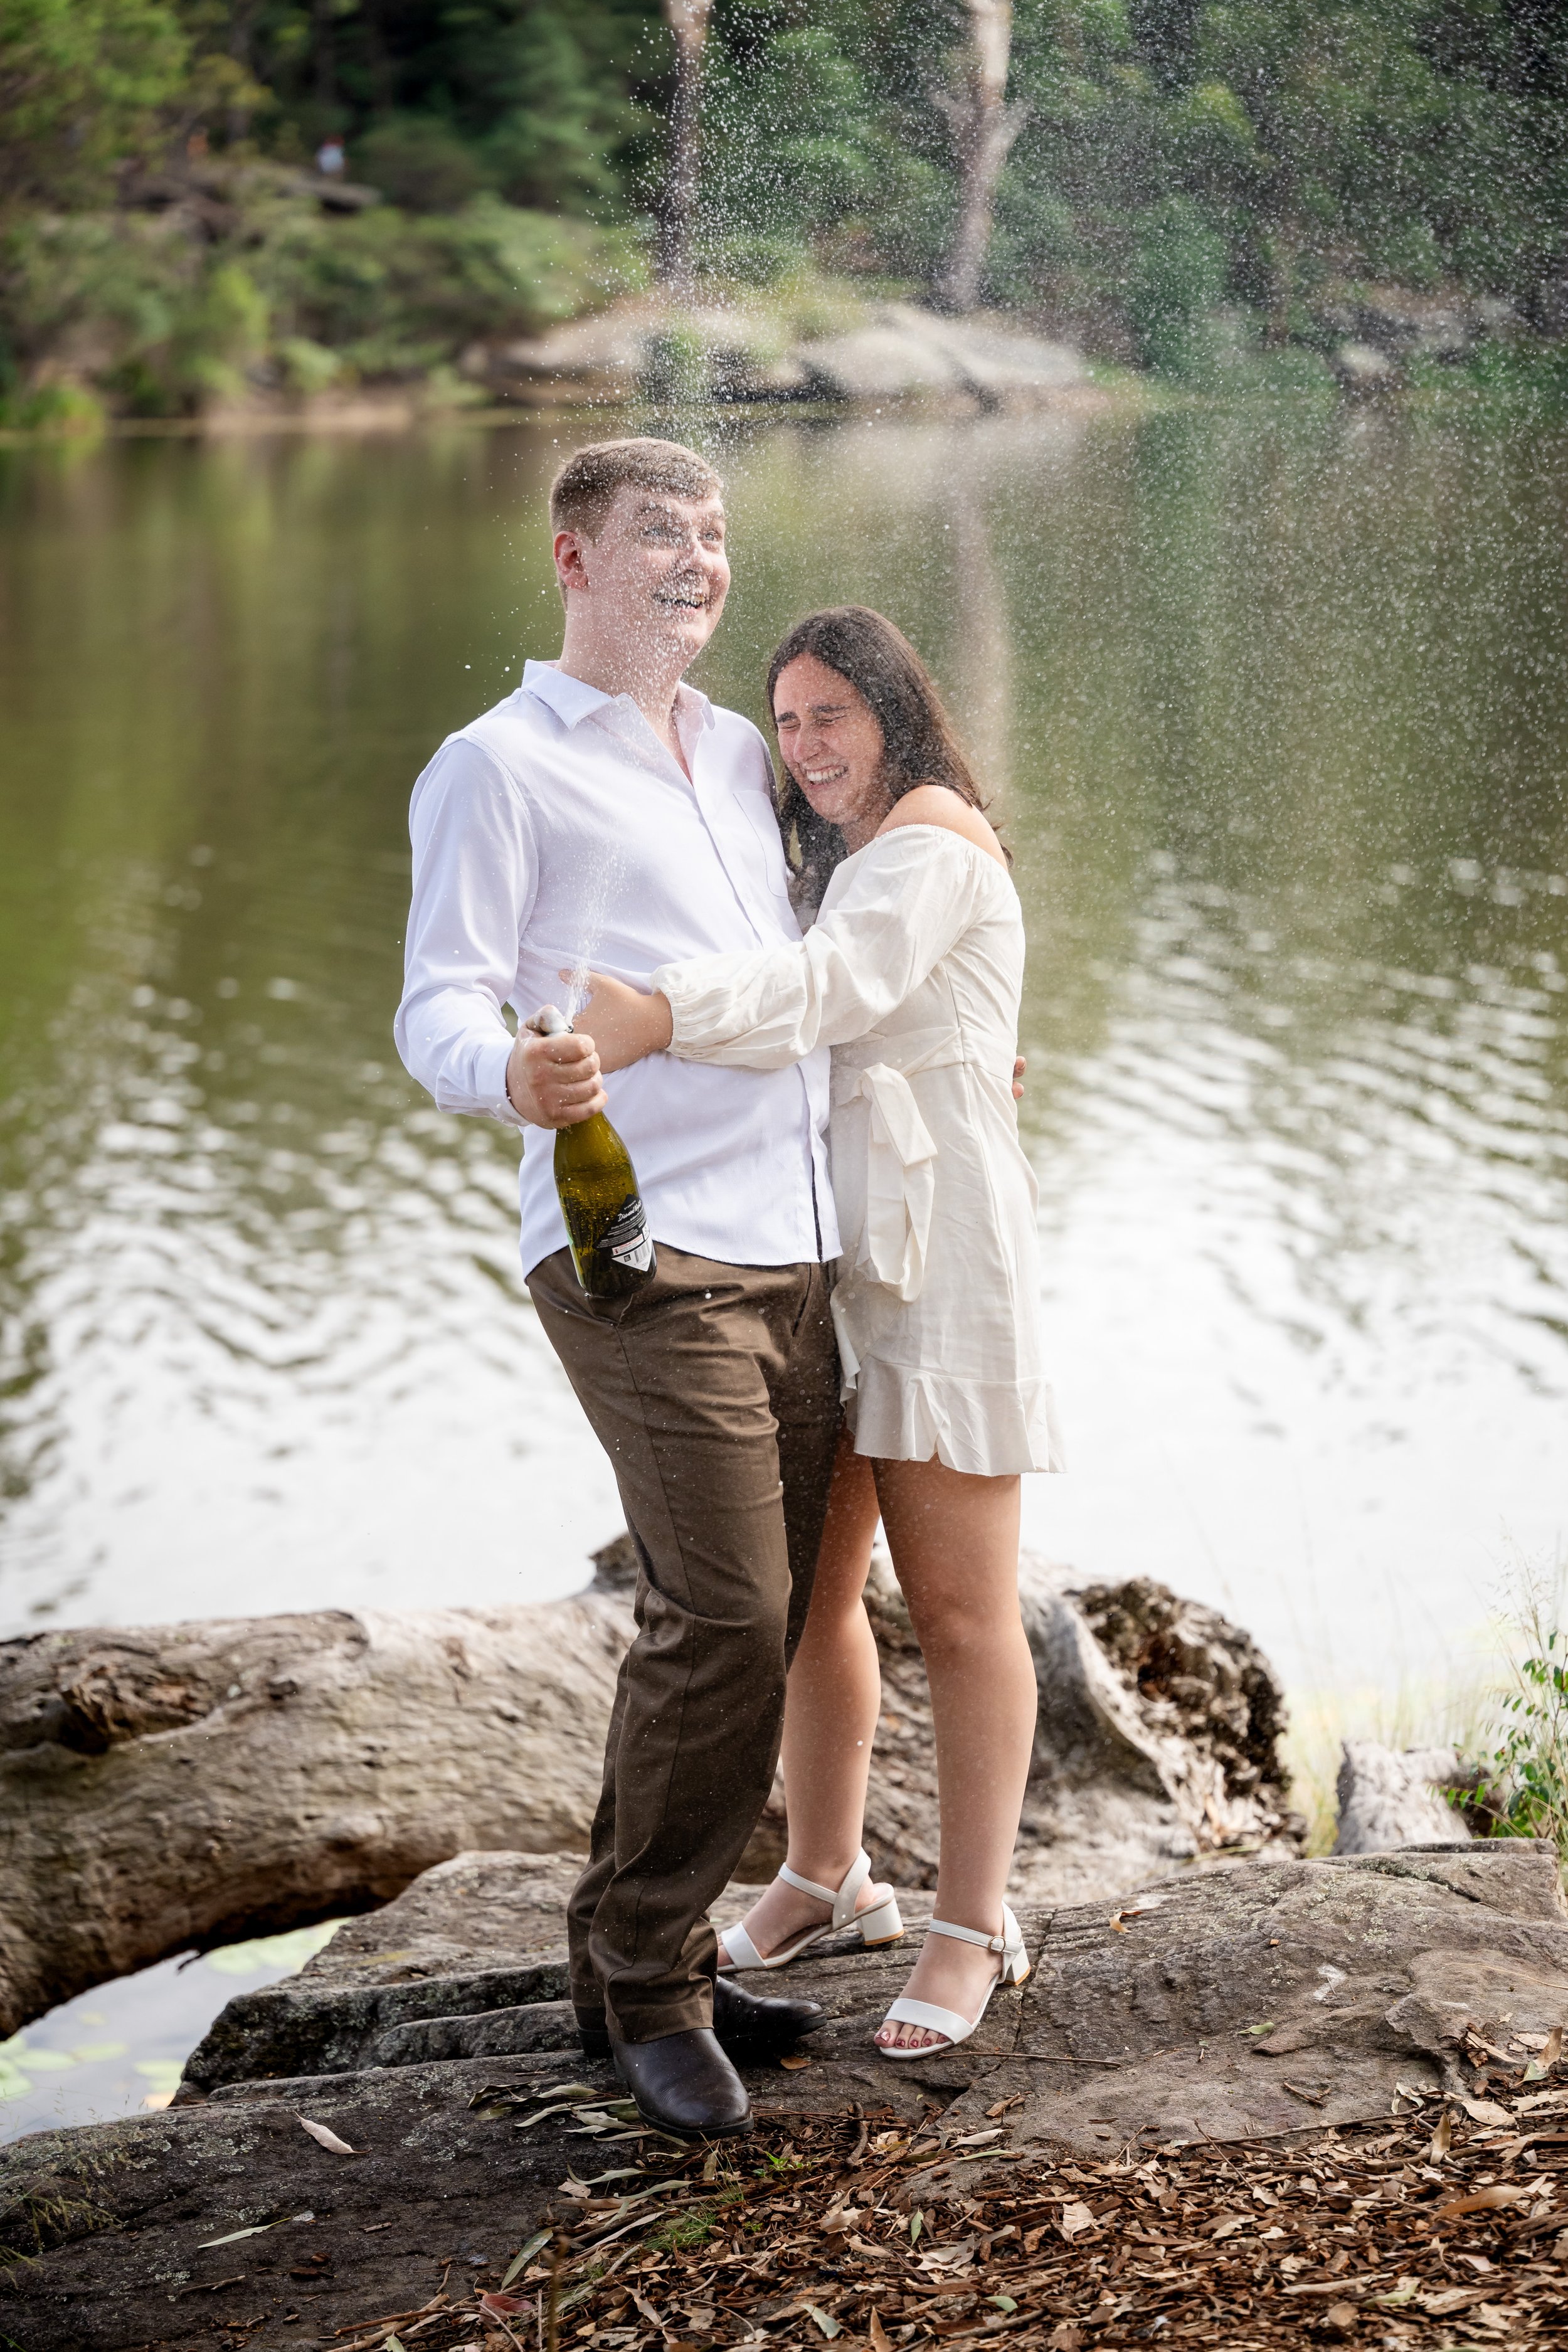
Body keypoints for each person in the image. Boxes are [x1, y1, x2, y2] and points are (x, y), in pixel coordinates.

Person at [395, 439, 847, 2139]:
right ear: (573, 559)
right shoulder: (495, 765)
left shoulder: (741, 749)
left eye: (715, 534)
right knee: (724, 1606)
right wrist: (503, 1074)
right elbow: (435, 996)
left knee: (761, 1613)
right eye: (661, 534)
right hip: (633, 1245)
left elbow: (806, 967)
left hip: (799, 1234)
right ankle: (646, 1988)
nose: (698, 560)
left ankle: (638, 1944)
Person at [576, 606, 1062, 2058]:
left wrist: (653, 1014)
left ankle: (971, 1924)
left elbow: (828, 991)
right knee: (808, 1597)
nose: (803, 749)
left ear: (893, 710)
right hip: (820, 1254)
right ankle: (822, 1874)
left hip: (940, 1262)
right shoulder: (849, 860)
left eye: (828, 715)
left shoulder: (926, 834)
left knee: (964, 1611)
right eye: (783, 725)